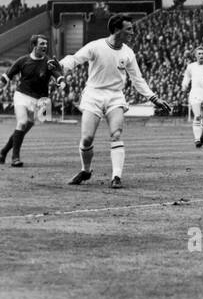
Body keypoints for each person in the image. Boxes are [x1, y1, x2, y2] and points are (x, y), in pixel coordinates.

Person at [57, 13, 170, 188]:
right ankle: (85, 171)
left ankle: (116, 176)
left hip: (115, 96)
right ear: (117, 29)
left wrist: (153, 98)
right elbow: (75, 59)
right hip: (93, 94)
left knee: (116, 134)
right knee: (87, 138)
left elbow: (137, 79)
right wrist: (61, 65)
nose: (132, 33)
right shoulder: (96, 46)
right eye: (129, 29)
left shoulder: (128, 53)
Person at [0, 34, 62, 167]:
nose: (45, 46)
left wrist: (62, 82)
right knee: (22, 122)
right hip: (22, 95)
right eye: (42, 44)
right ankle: (15, 158)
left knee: (24, 128)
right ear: (34, 46)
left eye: (46, 44)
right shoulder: (23, 60)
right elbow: (6, 76)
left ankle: (3, 151)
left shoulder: (49, 62)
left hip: (41, 100)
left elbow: (58, 76)